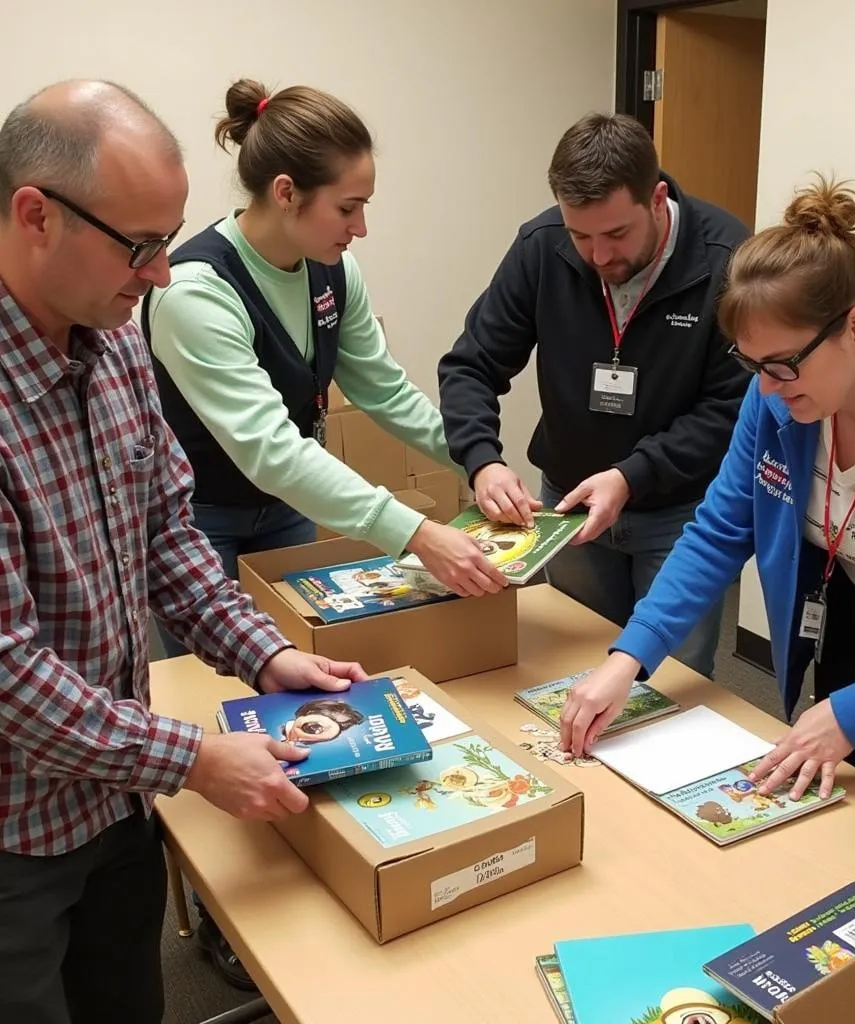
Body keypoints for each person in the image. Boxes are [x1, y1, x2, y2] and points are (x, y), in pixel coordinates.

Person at [0, 80, 370, 1024]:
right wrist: (197, 759)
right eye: (142, 246)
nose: (163, 274)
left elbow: (170, 536)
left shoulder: (117, 341)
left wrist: (267, 653)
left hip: (119, 798)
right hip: (16, 833)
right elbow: (11, 678)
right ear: (35, 215)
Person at [560, 177, 855, 843]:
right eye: (751, 367)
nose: (767, 392)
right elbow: (720, 530)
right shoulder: (776, 393)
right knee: (839, 840)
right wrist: (627, 657)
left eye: (781, 367)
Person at [144, 78, 506, 661]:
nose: (359, 227)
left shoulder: (334, 269)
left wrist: (479, 458)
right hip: (200, 523)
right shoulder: (195, 293)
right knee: (214, 686)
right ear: (287, 192)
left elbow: (384, 390)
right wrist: (414, 534)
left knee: (299, 671)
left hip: (286, 510)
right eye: (347, 207)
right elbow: (272, 449)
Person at [438, 112, 750, 679]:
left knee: (670, 682)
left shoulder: (726, 258)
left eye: (616, 235)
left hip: (682, 514)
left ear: (657, 199)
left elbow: (732, 410)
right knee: (579, 670)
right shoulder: (542, 245)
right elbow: (471, 364)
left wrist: (632, 473)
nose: (598, 256)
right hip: (569, 508)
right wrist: (482, 462)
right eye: (581, 235)